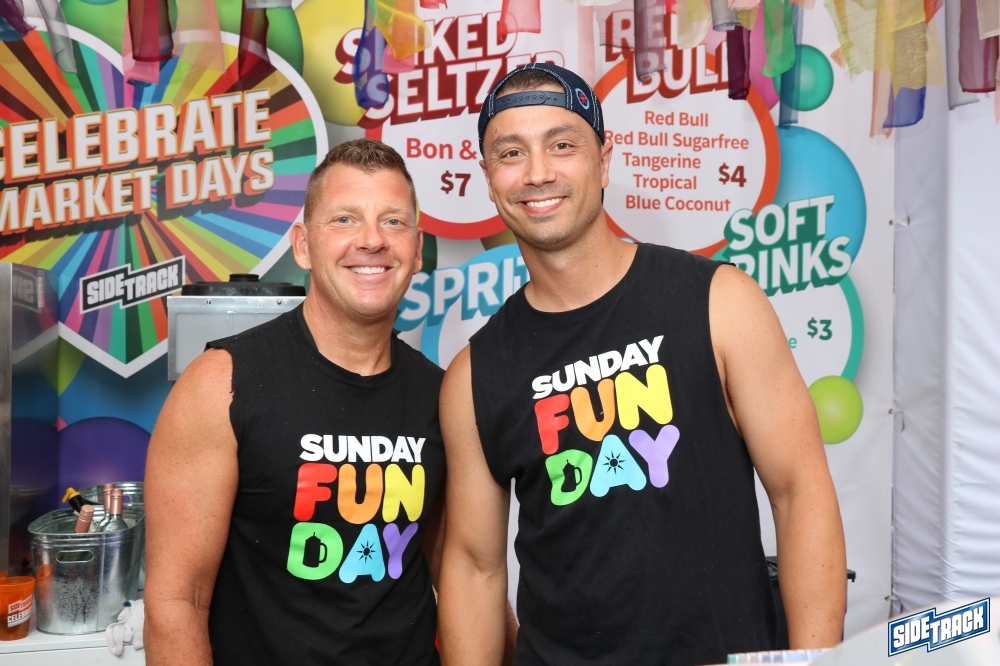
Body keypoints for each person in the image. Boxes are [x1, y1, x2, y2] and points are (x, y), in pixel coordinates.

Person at [437, 63, 847, 665]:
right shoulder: (473, 375)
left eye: (562, 145)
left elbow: (799, 491)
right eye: (511, 153)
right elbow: (475, 568)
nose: (538, 172)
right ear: (489, 178)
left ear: (604, 161)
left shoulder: (719, 301)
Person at [144, 138, 446, 665]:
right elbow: (176, 604)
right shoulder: (220, 384)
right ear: (303, 246)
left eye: (394, 222)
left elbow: (465, 572)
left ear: (417, 250)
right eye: (345, 220)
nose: (372, 240)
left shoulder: (442, 395)